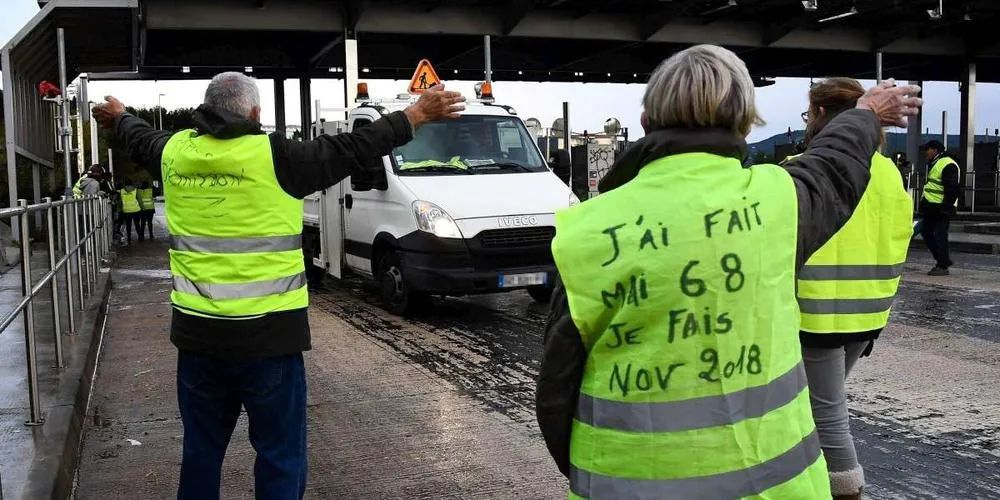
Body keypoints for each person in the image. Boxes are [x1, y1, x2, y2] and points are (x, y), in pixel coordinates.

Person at [535, 45, 921, 500]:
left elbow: (556, 394)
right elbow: (837, 165)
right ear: (744, 124)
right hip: (780, 488)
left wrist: (596, 468)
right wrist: (866, 112)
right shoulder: (779, 201)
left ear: (644, 122)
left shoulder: (588, 231)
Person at [92, 72, 464, 500]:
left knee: (201, 451)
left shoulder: (175, 152)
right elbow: (356, 147)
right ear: (254, 113)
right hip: (270, 342)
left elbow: (142, 137)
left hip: (198, 340)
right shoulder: (279, 157)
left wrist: (120, 116)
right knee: (279, 455)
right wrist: (415, 115)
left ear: (207, 109)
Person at [794, 78, 913, 500]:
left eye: (810, 114)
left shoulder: (807, 169)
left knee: (826, 414)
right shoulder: (888, 174)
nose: (808, 122)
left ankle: (847, 490)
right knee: (815, 406)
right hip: (867, 316)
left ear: (823, 115)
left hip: (816, 314)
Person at [919, 139, 960, 275]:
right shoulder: (935, 163)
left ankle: (942, 265)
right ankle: (943, 260)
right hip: (932, 207)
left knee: (940, 236)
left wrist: (946, 208)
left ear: (935, 150)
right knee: (926, 232)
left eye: (927, 149)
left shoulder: (947, 164)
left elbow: (953, 189)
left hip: (941, 208)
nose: (926, 152)